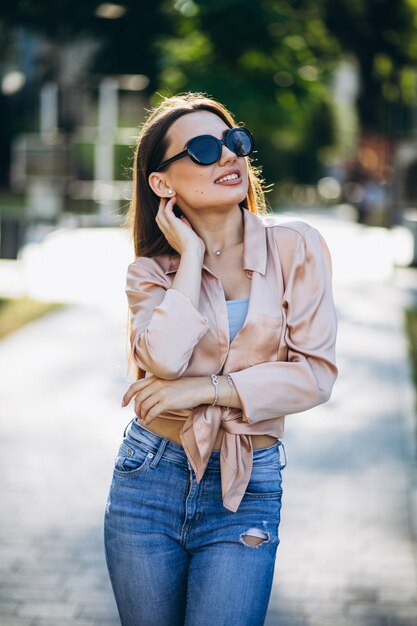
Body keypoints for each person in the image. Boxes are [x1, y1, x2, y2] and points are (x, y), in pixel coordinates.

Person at [103, 92, 338, 626]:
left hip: (248, 484)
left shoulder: (296, 247)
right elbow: (162, 360)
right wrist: (188, 258)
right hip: (149, 480)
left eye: (234, 142)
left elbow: (315, 375)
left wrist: (204, 389)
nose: (229, 156)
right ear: (161, 183)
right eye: (205, 149)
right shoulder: (150, 274)